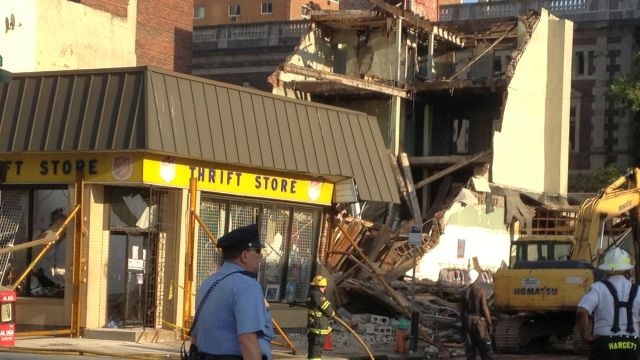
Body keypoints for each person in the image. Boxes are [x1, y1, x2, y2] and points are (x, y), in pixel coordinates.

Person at [192, 224, 274, 360]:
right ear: (245, 255)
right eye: (258, 250)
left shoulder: (209, 282)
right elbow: (247, 340)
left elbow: (195, 337)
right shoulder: (247, 286)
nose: (260, 256)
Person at [577, 247, 640, 360]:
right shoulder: (638, 290)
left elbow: (582, 311)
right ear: (628, 270)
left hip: (604, 342)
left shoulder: (598, 288)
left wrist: (585, 337)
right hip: (632, 343)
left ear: (606, 270)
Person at [460, 269, 493, 360]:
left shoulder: (464, 292)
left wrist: (463, 326)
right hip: (479, 323)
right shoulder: (480, 291)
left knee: (470, 350)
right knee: (485, 349)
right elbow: (484, 308)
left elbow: (462, 311)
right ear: (477, 278)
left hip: (468, 321)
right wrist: (489, 323)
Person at [307, 275, 336, 360]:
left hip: (312, 328)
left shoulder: (310, 294)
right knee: (316, 354)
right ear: (320, 287)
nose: (324, 289)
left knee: (312, 352)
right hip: (319, 329)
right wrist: (333, 314)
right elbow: (330, 312)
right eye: (323, 287)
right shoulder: (319, 296)